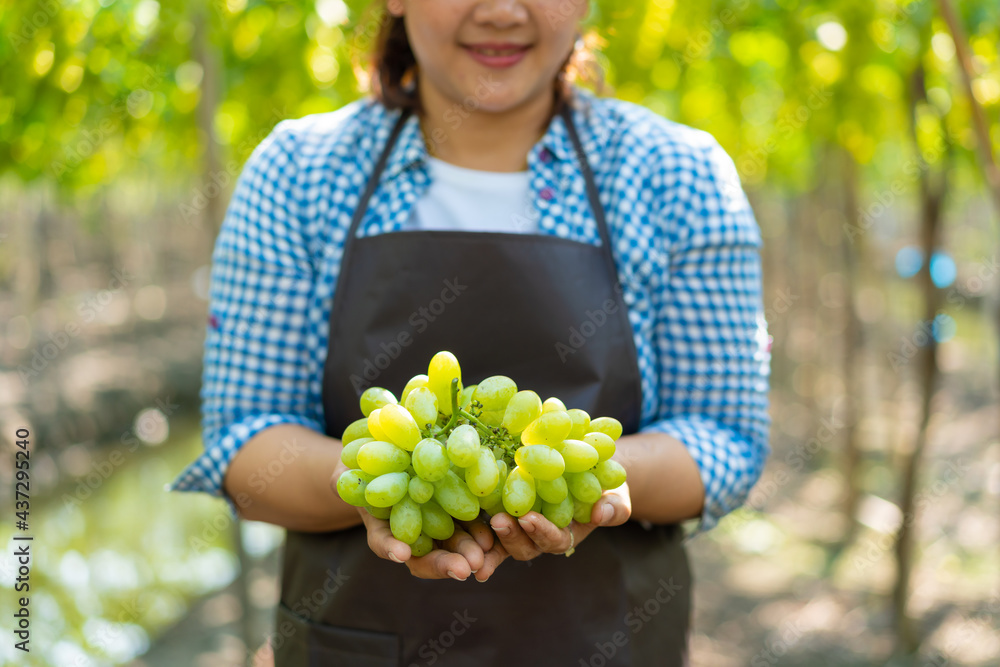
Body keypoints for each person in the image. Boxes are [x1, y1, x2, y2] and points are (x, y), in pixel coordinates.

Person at [172, 1, 771, 664]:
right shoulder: (298, 174)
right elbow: (246, 444)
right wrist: (369, 483)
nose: (502, 11)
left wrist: (592, 480)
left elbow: (726, 435)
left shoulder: (677, 176)